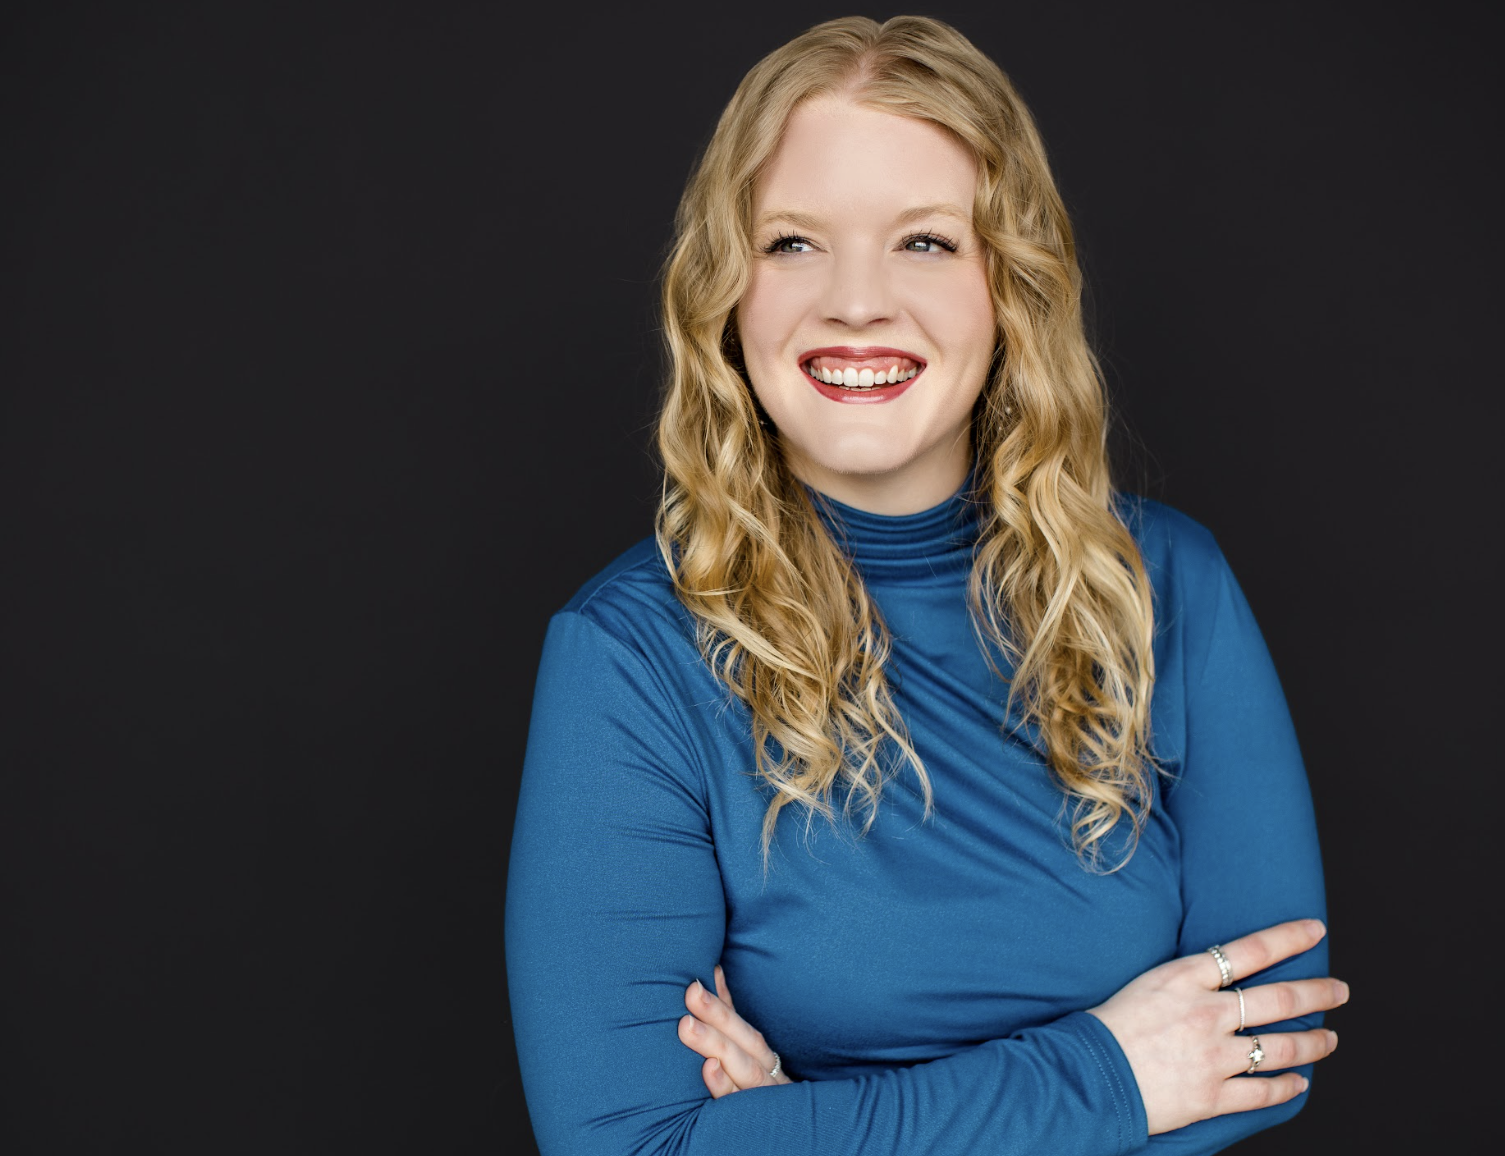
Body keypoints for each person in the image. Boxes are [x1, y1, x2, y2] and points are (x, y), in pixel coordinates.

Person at [505, 14, 1345, 1155]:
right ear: (723, 290)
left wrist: (803, 1120)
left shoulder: (1167, 588)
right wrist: (1110, 1075)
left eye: (925, 242)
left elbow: (1262, 1056)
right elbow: (627, 1143)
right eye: (792, 242)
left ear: (1012, 284)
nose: (856, 300)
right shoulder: (630, 655)